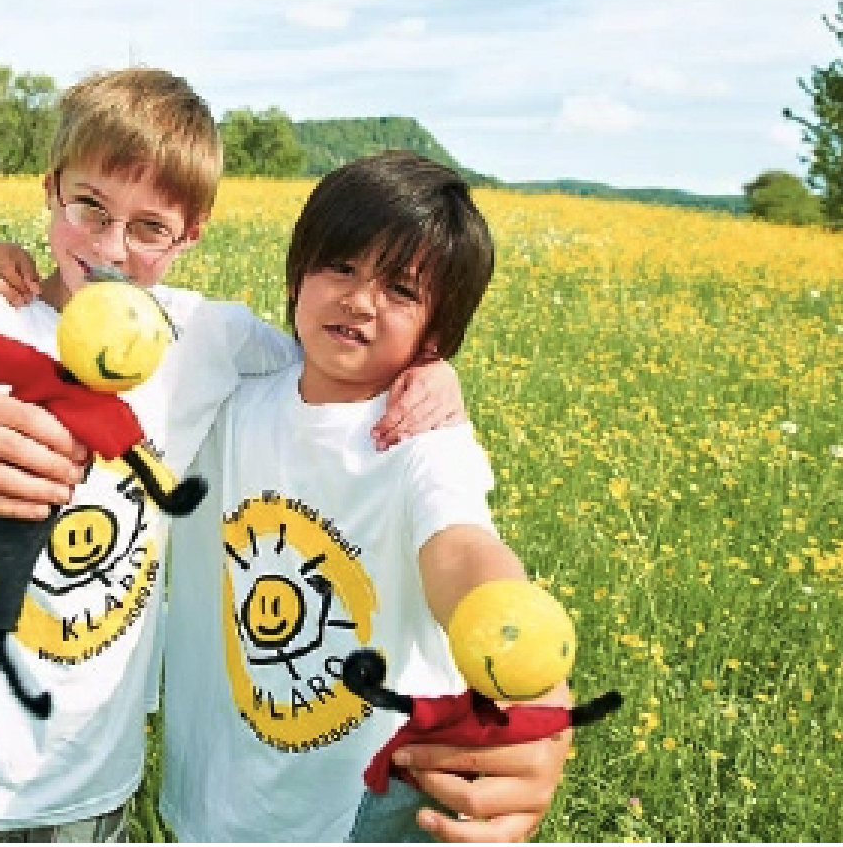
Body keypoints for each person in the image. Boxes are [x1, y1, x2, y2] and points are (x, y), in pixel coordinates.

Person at [0, 68, 465, 842]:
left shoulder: (207, 339)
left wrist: (432, 366)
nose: (112, 247)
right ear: (52, 190)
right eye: (90, 207)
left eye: (151, 227)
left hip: (95, 776)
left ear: (190, 235)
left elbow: (330, 362)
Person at [156, 151, 574, 842]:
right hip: (222, 790)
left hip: (364, 800)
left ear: (437, 334)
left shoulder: (423, 440)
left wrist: (526, 672)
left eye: (401, 291)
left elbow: (464, 550)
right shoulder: (232, 396)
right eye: (341, 268)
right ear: (297, 277)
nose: (359, 301)